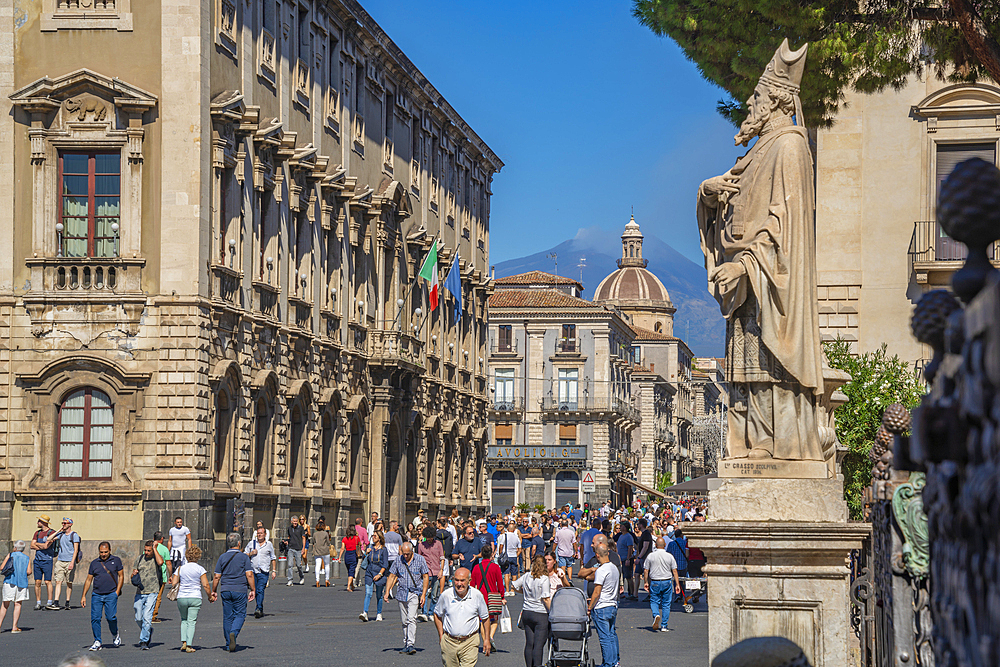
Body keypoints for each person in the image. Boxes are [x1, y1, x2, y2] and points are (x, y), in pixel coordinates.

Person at [434, 567, 491, 667]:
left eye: (462, 580)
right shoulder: (446, 595)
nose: (459, 584)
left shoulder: (477, 595)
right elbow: (437, 614)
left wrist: (486, 639)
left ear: (469, 581)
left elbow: (485, 618)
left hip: (470, 641)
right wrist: (441, 635)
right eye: (456, 580)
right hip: (449, 641)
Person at [211, 532, 255, 653]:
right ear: (239, 543)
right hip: (240, 589)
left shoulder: (222, 557)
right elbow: (249, 574)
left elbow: (216, 576)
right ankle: (233, 633)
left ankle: (227, 643)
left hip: (225, 589)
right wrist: (253, 589)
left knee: (227, 616)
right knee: (240, 614)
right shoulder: (244, 557)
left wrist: (213, 590)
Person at [383, 542, 430, 655]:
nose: (405, 556)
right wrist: (387, 591)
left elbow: (425, 576)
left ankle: (410, 643)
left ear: (412, 552)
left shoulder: (420, 559)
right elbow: (392, 575)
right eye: (404, 554)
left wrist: (423, 594)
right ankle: (406, 642)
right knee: (404, 621)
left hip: (414, 593)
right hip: (401, 593)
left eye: (407, 554)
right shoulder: (398, 560)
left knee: (411, 618)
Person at [80, 541, 124, 651]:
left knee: (111, 617)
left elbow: (121, 576)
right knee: (95, 618)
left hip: (111, 594)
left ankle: (115, 634)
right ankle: (97, 641)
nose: (103, 554)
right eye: (101, 552)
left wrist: (117, 591)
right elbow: (89, 579)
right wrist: (83, 596)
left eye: (105, 552)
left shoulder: (116, 560)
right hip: (97, 595)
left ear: (110, 551)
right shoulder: (94, 563)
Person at [169, 544, 210, 653]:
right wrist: (210, 596)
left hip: (182, 596)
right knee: (191, 621)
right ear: (198, 557)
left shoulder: (180, 568)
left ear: (187, 556)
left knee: (184, 620)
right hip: (195, 597)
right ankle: (189, 645)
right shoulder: (200, 569)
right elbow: (206, 585)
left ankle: (184, 643)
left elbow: (174, 583)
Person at [512, 556, 551, 667]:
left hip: (527, 611)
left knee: (529, 643)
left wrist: (523, 592)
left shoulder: (527, 576)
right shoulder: (544, 578)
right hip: (540, 613)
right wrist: (552, 611)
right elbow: (545, 598)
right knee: (538, 645)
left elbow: (513, 585)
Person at [587, 542, 620, 667]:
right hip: (612, 604)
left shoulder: (601, 570)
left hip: (602, 606)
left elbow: (597, 592)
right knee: (611, 635)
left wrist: (590, 607)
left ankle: (608, 663)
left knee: (604, 638)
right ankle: (614, 661)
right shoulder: (614, 568)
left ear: (597, 555)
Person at [469, 543, 505, 650]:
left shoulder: (476, 567)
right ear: (491, 555)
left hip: (480, 596)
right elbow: (500, 583)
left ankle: (486, 641)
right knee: (494, 619)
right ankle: (490, 637)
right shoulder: (495, 567)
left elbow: (472, 584)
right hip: (493, 595)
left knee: (482, 619)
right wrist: (502, 596)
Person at [130, 540, 164, 649]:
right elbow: (134, 574)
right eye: (145, 550)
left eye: (148, 550)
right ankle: (148, 630)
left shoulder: (156, 558)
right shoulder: (139, 559)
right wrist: (133, 575)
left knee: (147, 617)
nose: (146, 552)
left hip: (152, 591)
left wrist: (155, 549)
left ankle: (143, 641)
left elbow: (161, 563)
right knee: (138, 617)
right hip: (140, 591)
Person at [644, 537, 681, 632]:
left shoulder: (651, 556)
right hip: (667, 580)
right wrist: (677, 584)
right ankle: (664, 625)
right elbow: (674, 570)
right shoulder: (669, 556)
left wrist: (646, 582)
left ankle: (656, 614)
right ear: (665, 545)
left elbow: (646, 570)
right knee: (666, 604)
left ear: (655, 545)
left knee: (654, 601)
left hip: (655, 580)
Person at [244, 526, 276, 618]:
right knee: (255, 590)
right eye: (258, 533)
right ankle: (259, 607)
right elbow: (244, 555)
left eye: (261, 533)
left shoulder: (269, 545)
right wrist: (251, 553)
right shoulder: (252, 543)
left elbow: (273, 558)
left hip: (263, 571)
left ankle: (258, 608)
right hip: (253, 571)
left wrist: (273, 571)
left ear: (265, 534)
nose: (259, 535)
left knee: (260, 589)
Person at [0, 540, 31, 633]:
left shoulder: (10, 555)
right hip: (21, 583)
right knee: (18, 604)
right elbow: (29, 571)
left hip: (10, 581)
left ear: (15, 547)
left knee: (5, 605)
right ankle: (14, 627)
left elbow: (2, 567)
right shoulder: (27, 558)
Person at [417, 524, 446, 620]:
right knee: (423, 593)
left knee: (434, 595)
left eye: (431, 537)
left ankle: (431, 612)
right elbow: (419, 558)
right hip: (425, 572)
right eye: (427, 538)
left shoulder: (438, 544)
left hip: (436, 571)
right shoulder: (421, 545)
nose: (429, 539)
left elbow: (442, 558)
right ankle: (424, 612)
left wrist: (441, 570)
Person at [52, 517, 81, 610]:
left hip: (69, 561)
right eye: (62, 523)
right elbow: (49, 539)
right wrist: (58, 531)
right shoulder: (61, 534)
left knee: (69, 582)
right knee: (58, 581)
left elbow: (76, 550)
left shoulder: (74, 535)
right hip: (60, 561)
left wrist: (72, 562)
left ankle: (67, 602)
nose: (63, 524)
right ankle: (56, 602)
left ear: (70, 524)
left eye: (65, 523)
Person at [360, 530, 389, 622]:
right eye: (372, 536)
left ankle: (379, 613)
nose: (373, 537)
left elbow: (385, 564)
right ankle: (365, 613)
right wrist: (366, 553)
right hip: (369, 572)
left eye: (375, 536)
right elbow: (364, 560)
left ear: (380, 538)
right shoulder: (370, 547)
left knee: (379, 595)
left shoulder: (384, 550)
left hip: (379, 572)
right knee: (368, 593)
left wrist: (380, 574)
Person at [31, 514, 57, 610]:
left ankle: (49, 602)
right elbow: (31, 545)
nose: (37, 523)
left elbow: (47, 546)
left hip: (47, 560)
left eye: (39, 521)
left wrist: (37, 544)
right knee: (37, 582)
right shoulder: (37, 533)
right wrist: (41, 544)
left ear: (43, 523)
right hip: (37, 560)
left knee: (47, 581)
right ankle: (38, 602)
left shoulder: (51, 533)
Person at [149, 531, 173, 623]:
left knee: (149, 595)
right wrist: (170, 575)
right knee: (158, 596)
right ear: (162, 539)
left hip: (150, 575)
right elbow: (168, 563)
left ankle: (147, 613)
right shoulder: (164, 549)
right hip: (161, 576)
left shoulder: (149, 548)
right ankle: (153, 616)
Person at [497, 521, 521, 595]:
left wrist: (501, 554)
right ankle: (512, 590)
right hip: (513, 556)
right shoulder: (516, 537)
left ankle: (507, 590)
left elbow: (501, 546)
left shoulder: (504, 536)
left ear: (507, 528)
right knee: (514, 574)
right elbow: (519, 548)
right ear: (514, 529)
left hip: (506, 556)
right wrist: (516, 555)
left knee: (506, 573)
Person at [634, 518, 654, 599]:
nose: (637, 526)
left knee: (648, 576)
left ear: (641, 525)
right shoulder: (643, 534)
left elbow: (645, 547)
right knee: (637, 574)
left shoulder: (646, 534)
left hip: (645, 557)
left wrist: (639, 557)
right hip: (642, 557)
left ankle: (650, 594)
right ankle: (635, 594)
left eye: (638, 524)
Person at [616, 519, 636, 599]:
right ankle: (622, 592)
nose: (620, 527)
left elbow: (630, 548)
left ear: (625, 527)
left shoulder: (628, 536)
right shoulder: (621, 536)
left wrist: (628, 559)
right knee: (621, 576)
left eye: (621, 526)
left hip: (626, 559)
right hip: (621, 559)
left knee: (628, 577)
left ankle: (632, 593)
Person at [285, 514, 306, 585]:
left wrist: (303, 548)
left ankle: (301, 576)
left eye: (296, 521)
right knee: (290, 565)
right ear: (291, 521)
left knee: (298, 565)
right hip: (291, 548)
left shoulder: (301, 528)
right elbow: (289, 537)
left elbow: (303, 538)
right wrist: (286, 542)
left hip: (298, 548)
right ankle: (290, 580)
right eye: (294, 521)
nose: (295, 523)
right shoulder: (289, 528)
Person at [311, 518, 332, 588]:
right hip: (325, 551)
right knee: (327, 565)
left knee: (317, 565)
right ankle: (327, 579)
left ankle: (317, 580)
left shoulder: (315, 534)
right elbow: (328, 543)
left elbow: (313, 542)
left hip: (317, 550)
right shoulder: (325, 533)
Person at [339, 524, 360, 591]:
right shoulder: (356, 538)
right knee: (352, 570)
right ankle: (348, 586)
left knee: (349, 570)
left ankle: (352, 585)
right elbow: (359, 546)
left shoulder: (344, 539)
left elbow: (342, 548)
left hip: (347, 554)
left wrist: (339, 557)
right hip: (353, 554)